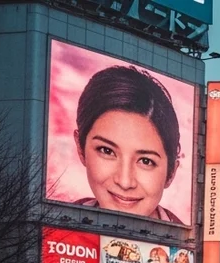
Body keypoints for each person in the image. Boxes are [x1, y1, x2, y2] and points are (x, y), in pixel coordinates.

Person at [72, 64, 186, 224]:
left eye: (146, 161)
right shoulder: (52, 231)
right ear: (80, 147)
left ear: (171, 173)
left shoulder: (191, 245)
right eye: (107, 151)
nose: (125, 182)